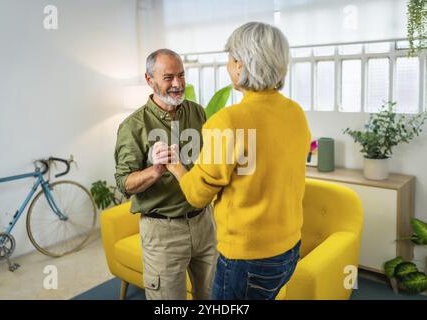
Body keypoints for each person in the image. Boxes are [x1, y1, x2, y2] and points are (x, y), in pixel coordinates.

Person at [166, 22, 311, 300]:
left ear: (241, 64)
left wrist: (176, 166)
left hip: (248, 260)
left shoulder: (228, 121)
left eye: (230, 59)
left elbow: (197, 195)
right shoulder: (295, 112)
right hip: (289, 250)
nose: (228, 65)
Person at [114, 49, 217, 300]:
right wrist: (156, 170)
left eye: (181, 75)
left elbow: (205, 162)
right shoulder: (133, 126)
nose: (178, 84)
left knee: (214, 297)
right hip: (163, 233)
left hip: (204, 224)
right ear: (150, 80)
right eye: (169, 77)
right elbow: (123, 183)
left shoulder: (197, 112)